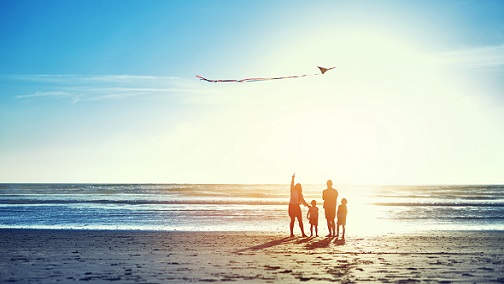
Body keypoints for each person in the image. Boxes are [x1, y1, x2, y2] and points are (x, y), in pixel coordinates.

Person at [289, 173, 309, 237]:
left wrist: (308, 206)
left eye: (299, 186)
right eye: (297, 186)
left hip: (297, 206)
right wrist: (293, 179)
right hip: (292, 206)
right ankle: (291, 233)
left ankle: (303, 233)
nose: (298, 187)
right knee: (292, 220)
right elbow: (291, 185)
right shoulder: (293, 190)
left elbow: (303, 201)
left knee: (300, 220)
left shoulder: (300, 194)